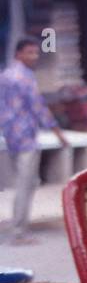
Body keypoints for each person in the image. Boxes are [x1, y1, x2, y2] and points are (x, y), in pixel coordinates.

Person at [0, 37, 68, 244]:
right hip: (26, 137)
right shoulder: (24, 77)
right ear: (18, 54)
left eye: (35, 53)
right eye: (29, 53)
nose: (34, 57)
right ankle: (19, 232)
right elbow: (39, 108)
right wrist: (58, 134)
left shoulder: (5, 75)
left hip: (11, 135)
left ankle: (19, 227)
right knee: (25, 184)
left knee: (23, 182)